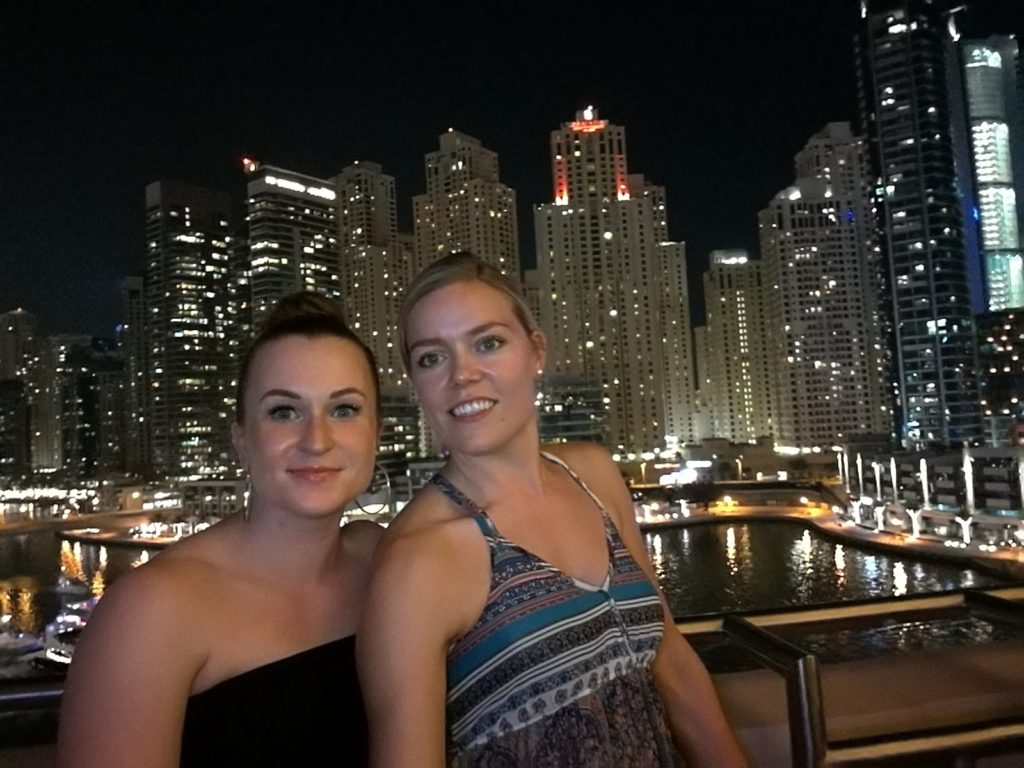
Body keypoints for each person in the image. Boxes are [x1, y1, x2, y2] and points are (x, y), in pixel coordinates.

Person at [358, 252, 749, 767]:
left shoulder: (592, 475)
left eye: (488, 343)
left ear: (535, 351)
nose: (463, 375)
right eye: (433, 357)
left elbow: (671, 659)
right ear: (415, 382)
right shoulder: (418, 559)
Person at [57, 292, 384, 767]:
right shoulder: (152, 613)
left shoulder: (383, 564)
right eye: (283, 412)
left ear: (376, 434)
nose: (318, 440)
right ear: (241, 439)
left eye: (344, 409)